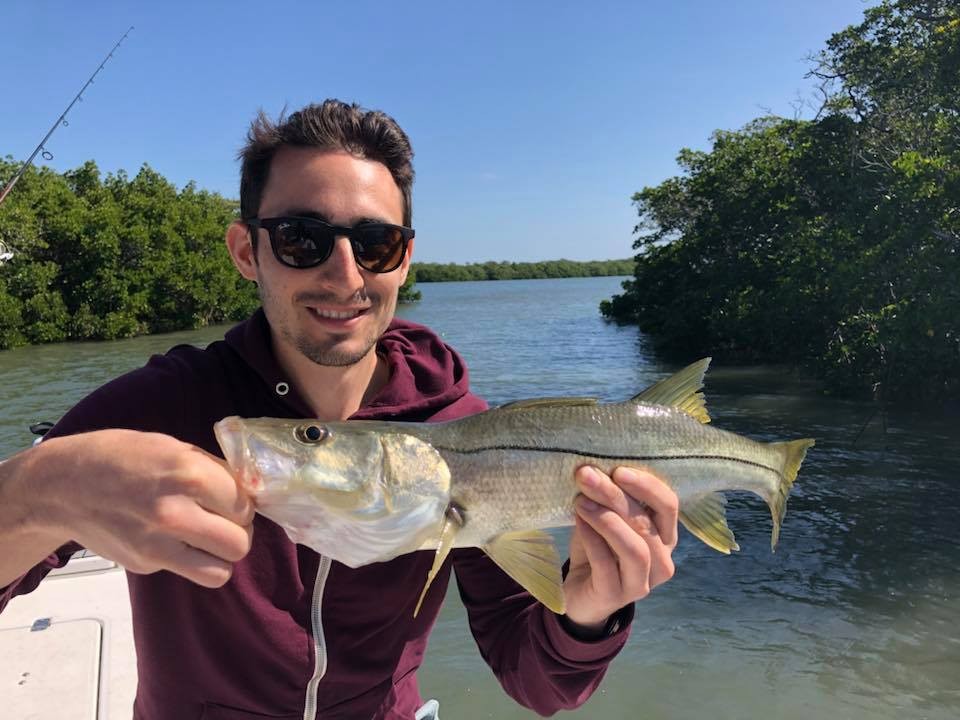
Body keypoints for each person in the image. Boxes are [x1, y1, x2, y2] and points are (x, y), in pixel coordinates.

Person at [0, 100, 679, 719]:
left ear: (405, 259)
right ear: (247, 251)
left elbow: (537, 684)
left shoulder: (461, 432)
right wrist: (38, 491)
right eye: (303, 238)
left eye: (375, 243)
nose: (346, 275)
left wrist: (588, 614)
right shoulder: (164, 404)